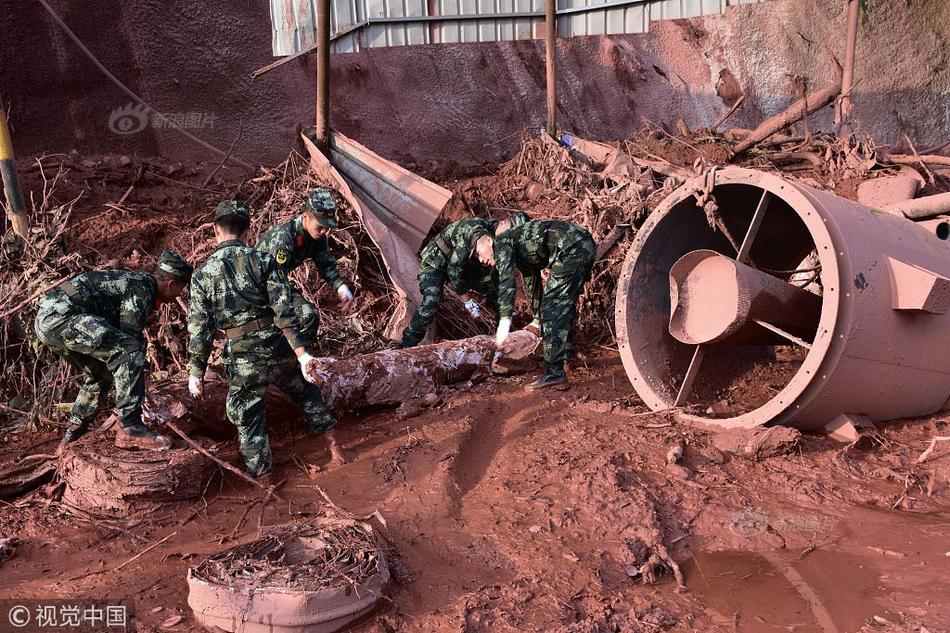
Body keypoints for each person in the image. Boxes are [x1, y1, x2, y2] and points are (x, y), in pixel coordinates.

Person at [187, 200, 344, 481]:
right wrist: (302, 354)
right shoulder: (263, 260)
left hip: (243, 356)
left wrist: (196, 372)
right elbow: (285, 310)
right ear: (247, 230)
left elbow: (200, 329)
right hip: (277, 346)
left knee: (247, 417)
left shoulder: (201, 275)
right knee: (308, 393)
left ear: (215, 230)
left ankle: (265, 480)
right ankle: (337, 453)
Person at [35, 251, 193, 451]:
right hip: (62, 317)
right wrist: (137, 395)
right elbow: (130, 340)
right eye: (181, 288)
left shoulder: (135, 282)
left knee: (101, 373)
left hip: (48, 322)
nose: (179, 295)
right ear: (171, 284)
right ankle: (131, 428)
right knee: (129, 350)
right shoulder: (143, 288)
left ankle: (71, 438)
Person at [492, 212, 596, 389]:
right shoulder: (521, 243)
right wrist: (536, 317)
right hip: (584, 244)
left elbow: (509, 285)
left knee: (553, 310)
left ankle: (554, 373)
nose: (483, 261)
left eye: (481, 256)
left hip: (570, 249)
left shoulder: (502, 243)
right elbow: (532, 283)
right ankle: (567, 356)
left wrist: (537, 318)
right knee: (564, 305)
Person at [255, 188, 354, 343]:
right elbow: (273, 282)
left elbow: (325, 262)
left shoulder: (316, 236)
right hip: (259, 287)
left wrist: (340, 286)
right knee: (305, 316)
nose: (324, 231)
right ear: (306, 217)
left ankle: (296, 358)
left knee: (308, 318)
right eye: (320, 226)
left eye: (327, 227)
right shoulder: (285, 239)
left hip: (276, 284)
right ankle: (291, 356)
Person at [400, 217, 498, 348]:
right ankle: (406, 344)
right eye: (489, 257)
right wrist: (467, 301)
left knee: (492, 287)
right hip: (435, 261)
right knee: (431, 302)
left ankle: (504, 329)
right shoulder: (469, 235)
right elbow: (454, 270)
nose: (482, 260)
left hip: (461, 264)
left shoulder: (488, 229)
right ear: (488, 240)